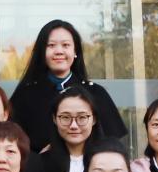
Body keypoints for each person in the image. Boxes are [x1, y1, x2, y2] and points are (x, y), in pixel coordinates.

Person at [9, 19, 127, 153]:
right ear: (42, 52)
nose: (59, 51)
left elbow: (113, 145)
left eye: (66, 45)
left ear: (75, 51)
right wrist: (39, 159)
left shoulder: (96, 93)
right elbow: (13, 146)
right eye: (51, 45)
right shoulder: (26, 95)